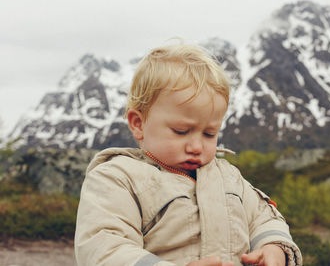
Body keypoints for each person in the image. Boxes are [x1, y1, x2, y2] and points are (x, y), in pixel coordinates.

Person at [74, 42, 302, 266]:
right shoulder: (117, 179)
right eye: (181, 131)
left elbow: (264, 217)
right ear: (138, 124)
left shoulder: (230, 178)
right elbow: (103, 248)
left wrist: (274, 248)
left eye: (209, 134)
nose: (196, 146)